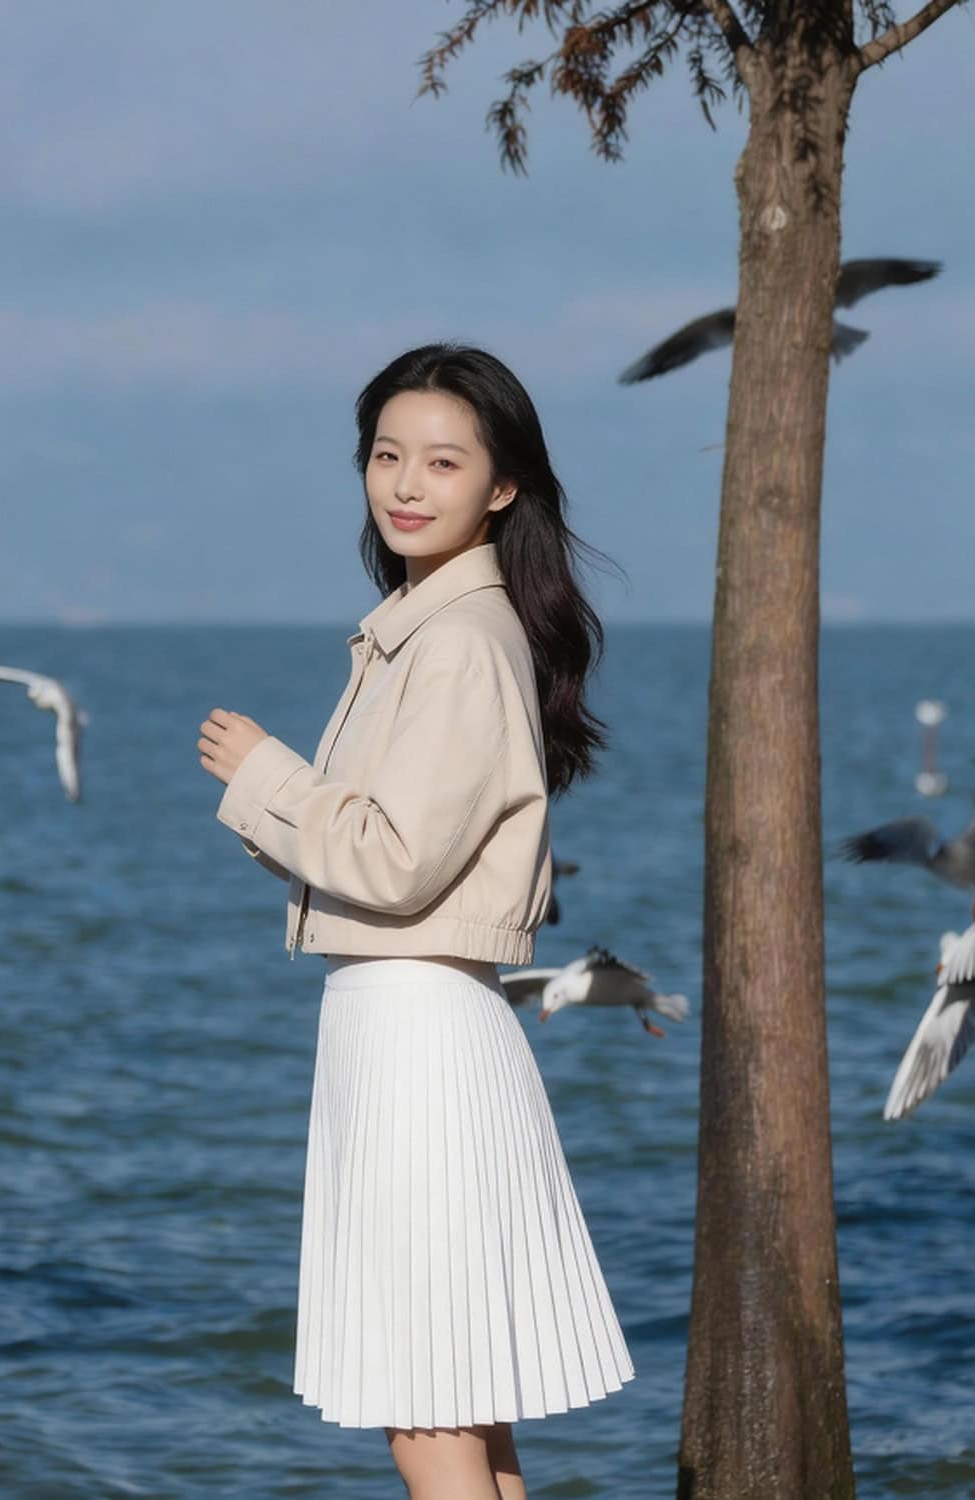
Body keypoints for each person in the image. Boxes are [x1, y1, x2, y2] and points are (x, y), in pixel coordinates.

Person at [198, 344, 632, 1499]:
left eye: (441, 461)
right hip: (426, 1024)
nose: (404, 483)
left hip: (415, 1036)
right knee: (463, 1412)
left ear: (501, 487)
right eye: (386, 455)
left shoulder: (450, 641)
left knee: (424, 1407)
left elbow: (391, 862)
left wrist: (265, 778)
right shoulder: (430, 628)